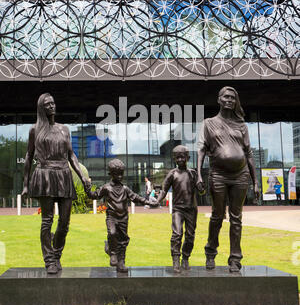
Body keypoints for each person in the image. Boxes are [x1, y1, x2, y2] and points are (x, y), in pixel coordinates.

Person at [22, 93, 90, 274]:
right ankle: (49, 260)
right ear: (41, 108)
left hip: (64, 174)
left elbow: (71, 155)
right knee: (47, 220)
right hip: (45, 175)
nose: (52, 106)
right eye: (47, 104)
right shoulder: (35, 130)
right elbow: (29, 156)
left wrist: (82, 176)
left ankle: (56, 254)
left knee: (65, 222)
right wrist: (26, 183)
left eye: (53, 103)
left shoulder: (64, 129)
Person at [197, 86, 259, 273]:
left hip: (241, 176)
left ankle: (235, 259)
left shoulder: (241, 126)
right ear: (219, 99)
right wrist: (198, 174)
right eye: (226, 97)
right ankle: (210, 252)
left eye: (233, 97)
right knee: (217, 216)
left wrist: (256, 182)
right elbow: (201, 149)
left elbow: (248, 154)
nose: (230, 100)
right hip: (218, 175)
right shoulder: (208, 123)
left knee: (236, 218)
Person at [85, 159, 156, 273]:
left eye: (121, 173)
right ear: (111, 174)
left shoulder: (125, 189)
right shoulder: (106, 188)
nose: (120, 176)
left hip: (123, 218)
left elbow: (136, 197)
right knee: (112, 233)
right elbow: (95, 195)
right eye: (117, 174)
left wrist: (149, 202)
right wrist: (87, 187)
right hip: (112, 217)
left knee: (123, 240)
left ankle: (121, 262)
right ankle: (112, 253)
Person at [156, 145, 199, 273]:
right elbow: (164, 190)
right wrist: (157, 201)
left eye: (183, 157)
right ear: (174, 159)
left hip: (191, 209)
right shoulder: (172, 174)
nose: (180, 160)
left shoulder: (193, 173)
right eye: (177, 157)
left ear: (188, 158)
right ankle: (176, 259)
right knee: (177, 234)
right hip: (178, 210)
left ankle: (185, 258)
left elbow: (201, 190)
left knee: (190, 236)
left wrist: (202, 188)